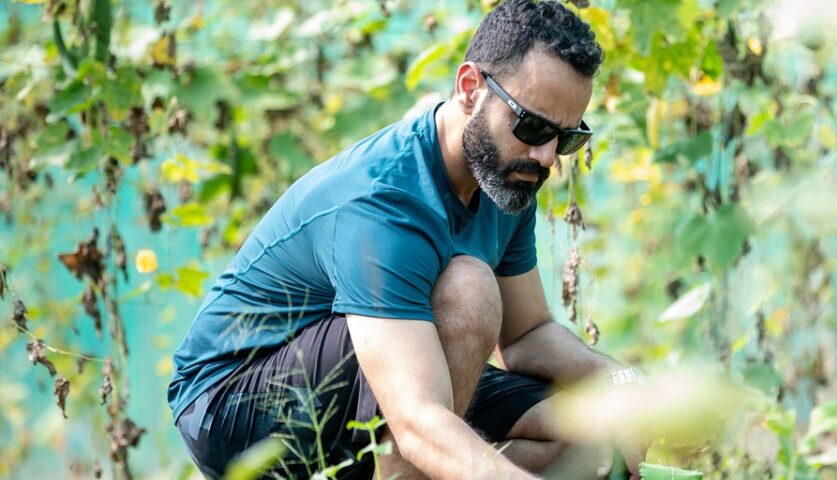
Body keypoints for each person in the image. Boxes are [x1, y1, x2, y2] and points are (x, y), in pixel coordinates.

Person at [167, 1, 644, 478]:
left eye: (565, 139)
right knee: (468, 288)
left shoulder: (508, 180)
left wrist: (626, 383)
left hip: (389, 360)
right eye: (533, 127)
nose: (544, 157)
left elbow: (526, 337)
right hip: (230, 402)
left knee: (587, 430)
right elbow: (417, 422)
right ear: (470, 89)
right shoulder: (383, 201)